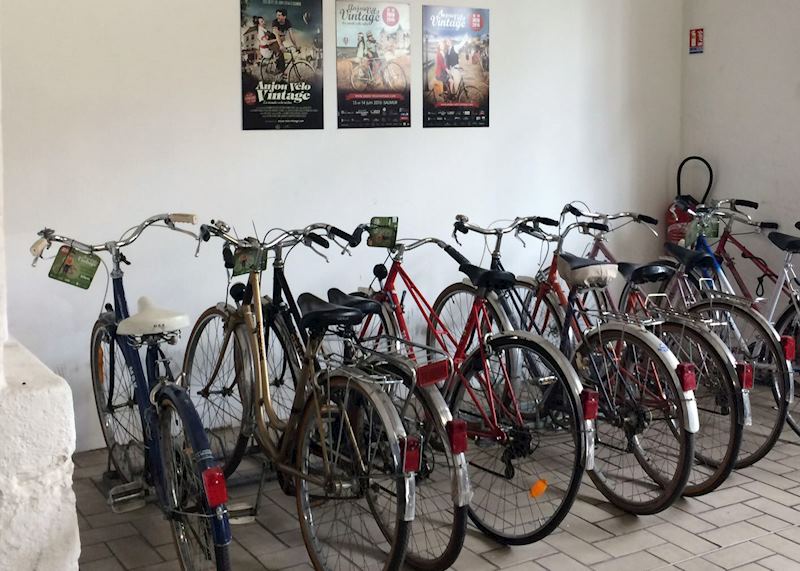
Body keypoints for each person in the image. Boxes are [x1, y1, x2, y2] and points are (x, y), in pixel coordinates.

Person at [272, 9, 298, 74]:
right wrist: (281, 45)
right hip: (273, 40)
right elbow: (277, 35)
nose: (277, 17)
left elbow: (291, 35)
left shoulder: (288, 22)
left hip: (280, 40)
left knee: (282, 56)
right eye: (277, 15)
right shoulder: (275, 22)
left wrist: (296, 46)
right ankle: (278, 69)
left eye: (279, 15)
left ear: (284, 17)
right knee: (280, 53)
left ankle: (281, 72)